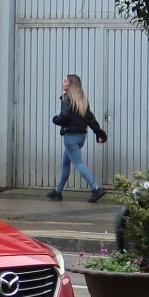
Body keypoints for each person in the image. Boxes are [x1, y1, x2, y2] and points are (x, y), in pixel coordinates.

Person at [50, 72, 109, 203]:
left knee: (78, 163)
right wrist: (100, 133)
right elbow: (91, 119)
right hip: (81, 137)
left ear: (70, 84)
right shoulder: (82, 100)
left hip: (70, 137)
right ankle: (58, 192)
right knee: (65, 163)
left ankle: (96, 188)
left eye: (65, 81)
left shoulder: (67, 98)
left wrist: (56, 119)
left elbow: (64, 117)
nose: (63, 83)